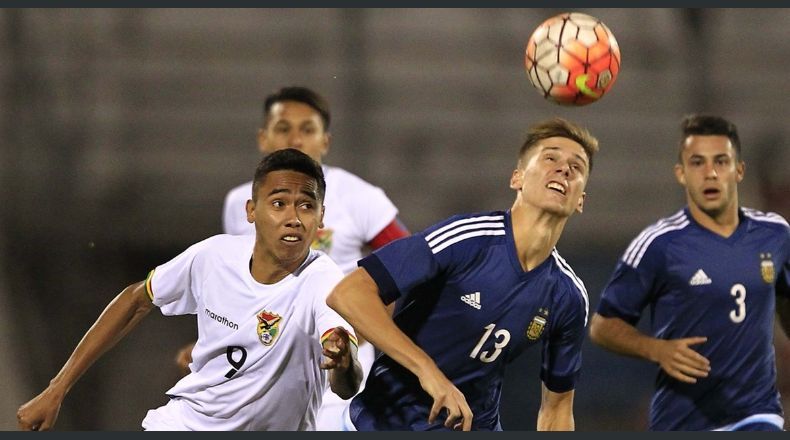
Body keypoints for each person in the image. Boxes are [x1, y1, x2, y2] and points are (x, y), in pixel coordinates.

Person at [16, 149, 363, 431]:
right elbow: (136, 300)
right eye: (278, 203)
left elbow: (346, 384)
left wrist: (343, 363)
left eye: (306, 205)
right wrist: (55, 390)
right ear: (251, 211)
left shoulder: (325, 281)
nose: (293, 217)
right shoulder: (213, 257)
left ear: (320, 218)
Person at [326, 118, 599, 431]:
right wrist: (429, 372)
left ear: (580, 200)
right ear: (517, 178)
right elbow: (348, 293)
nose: (564, 169)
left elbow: (557, 408)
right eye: (550, 158)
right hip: (386, 420)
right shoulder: (467, 239)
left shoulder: (568, 296)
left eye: (576, 167)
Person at [176, 85, 409, 430]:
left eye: (308, 129)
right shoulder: (239, 202)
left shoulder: (360, 197)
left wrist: (367, 327)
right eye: (284, 128)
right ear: (263, 137)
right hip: (257, 371)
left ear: (325, 142)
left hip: (332, 369)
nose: (295, 139)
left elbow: (408, 269)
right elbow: (238, 288)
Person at [589, 114, 790, 431]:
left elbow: (785, 298)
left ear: (739, 171)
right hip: (683, 420)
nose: (710, 173)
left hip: (756, 415)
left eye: (721, 161)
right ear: (681, 174)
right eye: (697, 163)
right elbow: (602, 326)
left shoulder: (775, 234)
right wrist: (657, 349)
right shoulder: (658, 244)